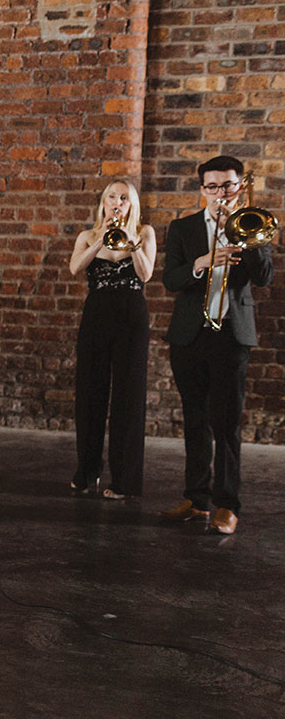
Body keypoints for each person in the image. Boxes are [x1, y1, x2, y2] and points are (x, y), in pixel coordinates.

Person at [158, 156, 274, 535]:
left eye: (228, 185)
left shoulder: (252, 223)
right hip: (190, 335)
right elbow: (171, 280)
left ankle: (226, 505)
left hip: (231, 335)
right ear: (202, 190)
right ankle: (196, 501)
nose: (220, 193)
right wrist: (204, 261)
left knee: (226, 424)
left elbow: (264, 277)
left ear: (240, 186)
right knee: (194, 420)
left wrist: (242, 234)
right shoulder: (183, 227)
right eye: (212, 186)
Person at [68, 180, 156, 499]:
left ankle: (124, 480)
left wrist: (131, 243)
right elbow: (75, 268)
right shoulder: (87, 236)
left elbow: (145, 275)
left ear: (132, 204)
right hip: (97, 315)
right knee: (90, 393)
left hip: (131, 317)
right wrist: (100, 239)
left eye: (124, 198)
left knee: (128, 397)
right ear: (103, 202)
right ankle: (87, 470)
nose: (117, 202)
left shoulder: (144, 233)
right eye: (112, 197)